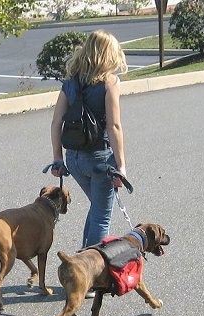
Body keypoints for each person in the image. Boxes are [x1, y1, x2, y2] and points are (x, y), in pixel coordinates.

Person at [50, 30, 128, 297]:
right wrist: (121, 166)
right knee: (102, 217)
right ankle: (88, 277)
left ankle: (78, 262)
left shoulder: (70, 82)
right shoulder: (109, 83)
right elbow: (115, 126)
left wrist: (57, 158)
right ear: (108, 54)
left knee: (96, 209)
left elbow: (56, 122)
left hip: (74, 159)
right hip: (100, 159)